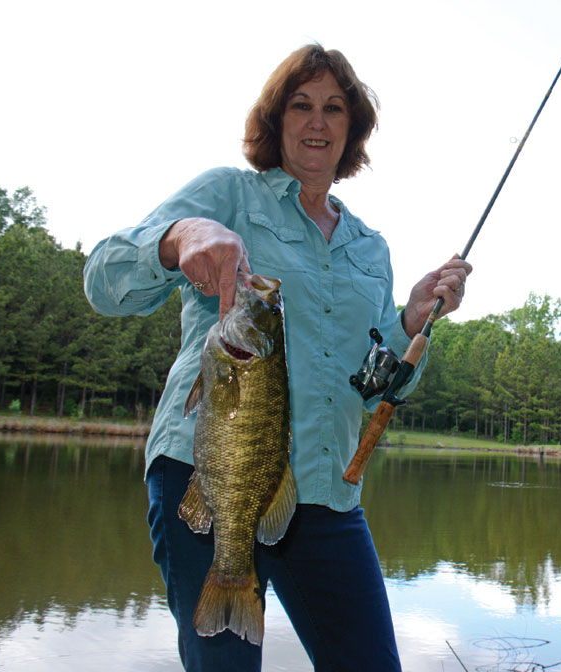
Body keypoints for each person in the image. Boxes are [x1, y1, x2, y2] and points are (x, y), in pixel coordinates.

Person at [84, 44, 472, 671]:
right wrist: (181, 236)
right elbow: (102, 279)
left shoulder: (370, 250)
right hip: (209, 477)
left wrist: (410, 320)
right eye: (301, 105)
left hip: (324, 493)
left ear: (353, 130)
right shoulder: (229, 194)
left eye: (334, 108)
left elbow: (373, 388)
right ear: (275, 120)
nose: (317, 122)